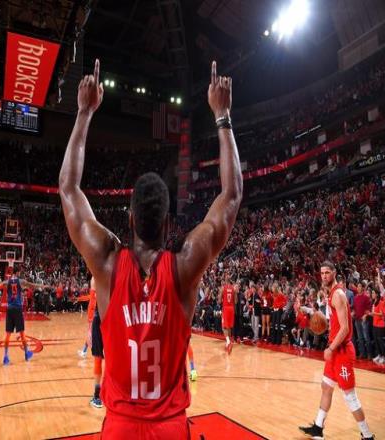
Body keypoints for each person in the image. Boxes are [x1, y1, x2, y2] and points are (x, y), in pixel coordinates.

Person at [59, 59, 242, 438]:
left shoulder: (106, 263)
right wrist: (222, 116)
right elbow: (232, 194)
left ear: (129, 220)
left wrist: (84, 112)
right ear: (169, 225)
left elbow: (68, 188)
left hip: (121, 428)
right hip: (170, 428)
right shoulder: (185, 265)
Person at [299, 261, 374, 440]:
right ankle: (318, 427)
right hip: (335, 349)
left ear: (334, 273)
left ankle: (367, 435)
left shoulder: (338, 295)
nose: (324, 276)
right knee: (326, 386)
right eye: (322, 273)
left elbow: (345, 328)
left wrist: (331, 348)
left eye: (327, 272)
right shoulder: (331, 293)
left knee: (350, 396)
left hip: (341, 351)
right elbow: (334, 322)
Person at [0, 267, 50, 364]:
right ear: (17, 273)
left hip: (10, 310)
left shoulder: (6, 282)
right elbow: (33, 285)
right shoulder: (21, 281)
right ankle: (27, 354)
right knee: (22, 334)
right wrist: (43, 286)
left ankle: (6, 357)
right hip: (18, 309)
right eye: (19, 272)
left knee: (8, 334)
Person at [220, 274, 236, 353]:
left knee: (224, 327)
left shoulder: (223, 288)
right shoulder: (233, 288)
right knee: (229, 326)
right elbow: (235, 301)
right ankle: (228, 343)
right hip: (231, 308)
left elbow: (219, 300)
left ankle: (228, 341)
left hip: (226, 308)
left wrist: (221, 297)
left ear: (225, 280)